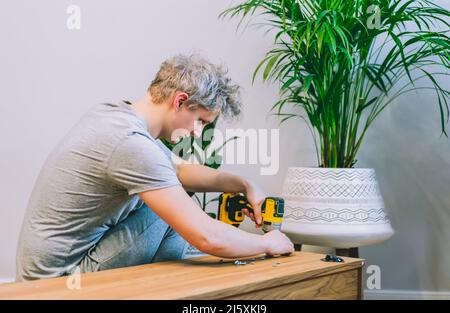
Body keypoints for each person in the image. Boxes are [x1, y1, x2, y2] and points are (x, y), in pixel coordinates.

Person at [16, 54, 294, 281]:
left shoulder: (116, 116)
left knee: (170, 197)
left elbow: (180, 172)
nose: (199, 133)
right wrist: (268, 243)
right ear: (180, 101)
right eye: (202, 121)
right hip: (60, 281)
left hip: (56, 269)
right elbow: (207, 236)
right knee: (170, 210)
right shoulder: (130, 143)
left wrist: (244, 184)